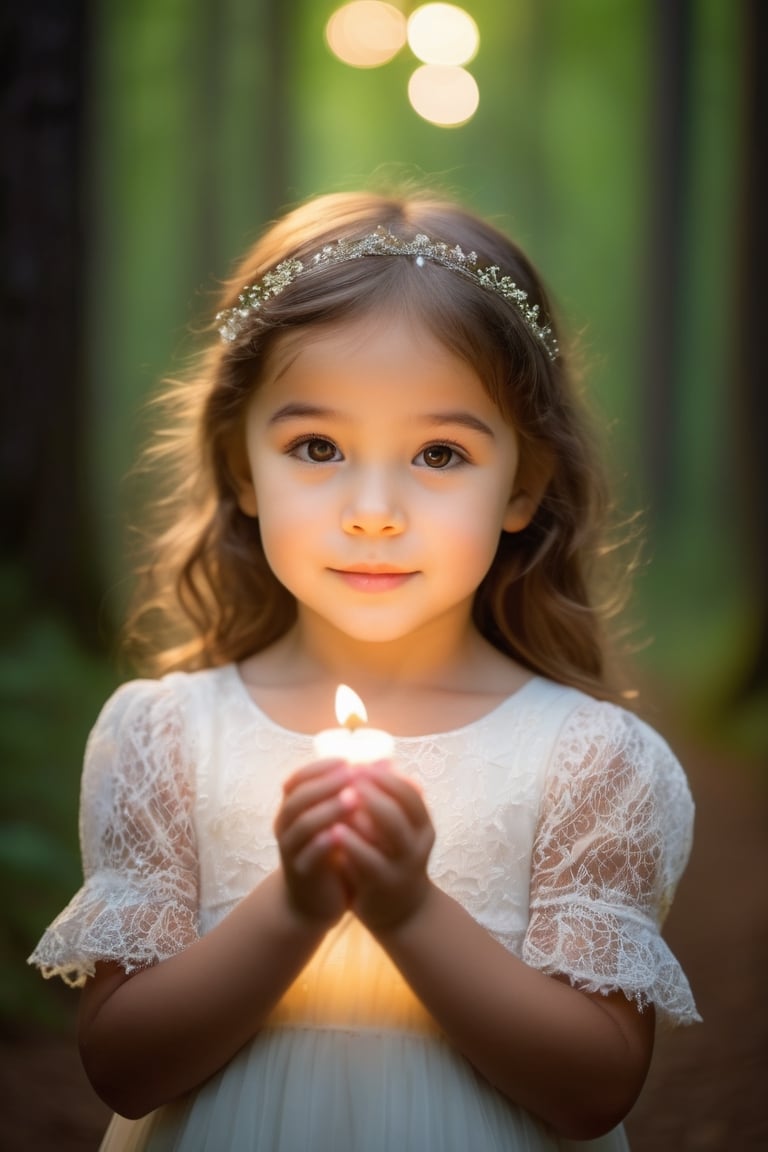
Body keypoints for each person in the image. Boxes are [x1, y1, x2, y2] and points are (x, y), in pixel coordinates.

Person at [29, 190, 700, 1151]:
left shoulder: (592, 760)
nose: (374, 509)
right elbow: (125, 1070)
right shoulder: (165, 736)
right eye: (317, 447)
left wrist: (409, 908)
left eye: (439, 452)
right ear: (242, 466)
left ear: (523, 485)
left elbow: (595, 1088)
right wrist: (297, 907)